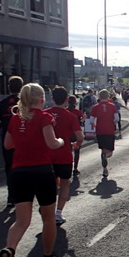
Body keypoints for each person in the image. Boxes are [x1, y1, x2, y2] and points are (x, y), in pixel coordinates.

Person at [0, 83, 65, 257]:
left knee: (21, 221)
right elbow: (52, 144)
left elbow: (8, 144)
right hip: (42, 171)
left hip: (19, 172)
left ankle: (9, 251)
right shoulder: (44, 117)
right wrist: (61, 141)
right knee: (48, 218)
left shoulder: (15, 119)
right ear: (42, 99)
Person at [47, 86, 83, 226]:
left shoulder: (45, 114)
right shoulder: (71, 116)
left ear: (52, 99)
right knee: (65, 184)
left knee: (49, 184)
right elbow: (79, 136)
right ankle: (58, 213)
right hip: (64, 155)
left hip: (46, 156)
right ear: (67, 100)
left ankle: (47, 208)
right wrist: (76, 144)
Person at [0, 76, 24, 202]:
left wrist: (4, 125)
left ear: (8, 87)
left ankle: (11, 196)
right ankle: (22, 194)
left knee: (9, 166)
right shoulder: (25, 103)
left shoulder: (2, 103)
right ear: (22, 88)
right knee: (23, 166)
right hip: (23, 138)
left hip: (7, 138)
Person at [89, 89, 119, 177]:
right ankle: (106, 156)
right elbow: (117, 119)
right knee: (110, 151)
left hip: (100, 131)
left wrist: (95, 125)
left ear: (99, 96)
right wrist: (112, 123)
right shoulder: (112, 106)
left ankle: (105, 169)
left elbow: (91, 120)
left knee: (103, 149)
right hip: (109, 131)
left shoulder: (96, 106)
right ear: (108, 96)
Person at [66, 94, 85, 176]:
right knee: (77, 152)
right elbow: (84, 117)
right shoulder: (77, 112)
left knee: (68, 152)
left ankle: (68, 167)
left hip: (67, 135)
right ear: (75, 103)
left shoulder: (65, 111)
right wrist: (81, 122)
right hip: (76, 134)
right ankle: (75, 168)